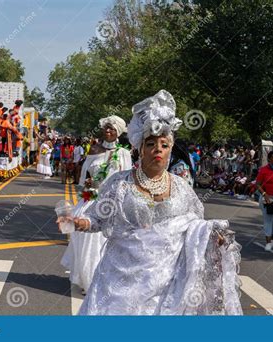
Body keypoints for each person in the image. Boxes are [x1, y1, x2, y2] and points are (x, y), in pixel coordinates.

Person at [60, 90, 242, 315]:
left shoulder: (182, 189)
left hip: (167, 285)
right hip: (119, 282)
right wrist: (76, 222)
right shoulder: (119, 183)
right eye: (151, 144)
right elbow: (97, 219)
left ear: (170, 151)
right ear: (139, 149)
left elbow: (196, 227)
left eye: (164, 145)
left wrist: (214, 237)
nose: (158, 149)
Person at [61, 115, 132, 295]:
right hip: (92, 201)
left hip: (113, 203)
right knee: (88, 242)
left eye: (112, 128)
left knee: (110, 243)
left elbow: (127, 179)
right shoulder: (94, 149)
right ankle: (90, 280)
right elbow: (84, 175)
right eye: (106, 127)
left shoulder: (123, 153)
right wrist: (87, 185)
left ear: (118, 132)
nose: (108, 131)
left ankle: (107, 279)